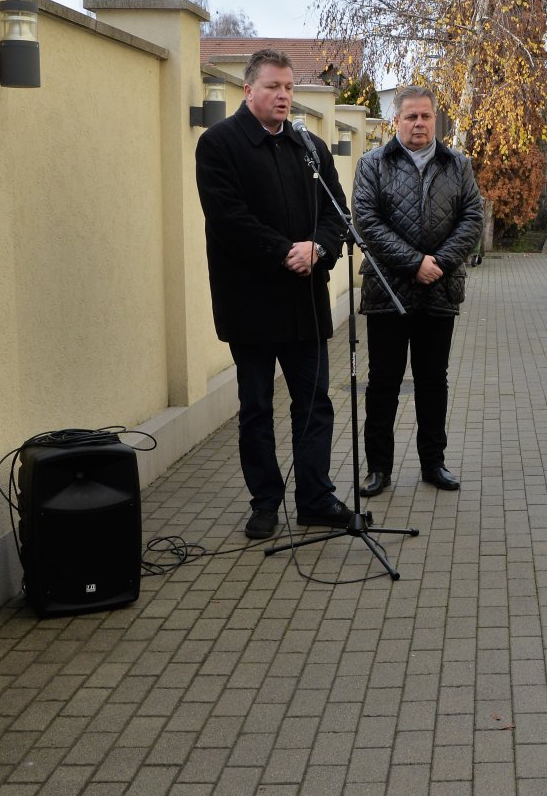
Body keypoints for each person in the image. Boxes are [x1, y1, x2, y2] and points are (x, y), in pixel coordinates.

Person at [196, 48, 353, 539]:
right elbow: (228, 219)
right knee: (257, 409)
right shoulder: (219, 144)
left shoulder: (310, 146)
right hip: (251, 304)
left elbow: (337, 212)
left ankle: (315, 498)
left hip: (305, 302)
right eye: (273, 87)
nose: (283, 96)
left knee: (314, 404)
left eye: (288, 87)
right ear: (249, 90)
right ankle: (265, 502)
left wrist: (319, 248)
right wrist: (285, 251)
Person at [353, 87, 484, 497]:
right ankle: (378, 469)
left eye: (426, 116)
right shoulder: (373, 164)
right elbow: (367, 221)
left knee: (433, 382)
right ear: (397, 121)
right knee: (383, 384)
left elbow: (472, 217)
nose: (419, 124)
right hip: (387, 292)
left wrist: (438, 263)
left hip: (439, 290)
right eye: (411, 117)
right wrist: (414, 263)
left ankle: (433, 464)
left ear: (434, 120)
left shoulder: (457, 165)